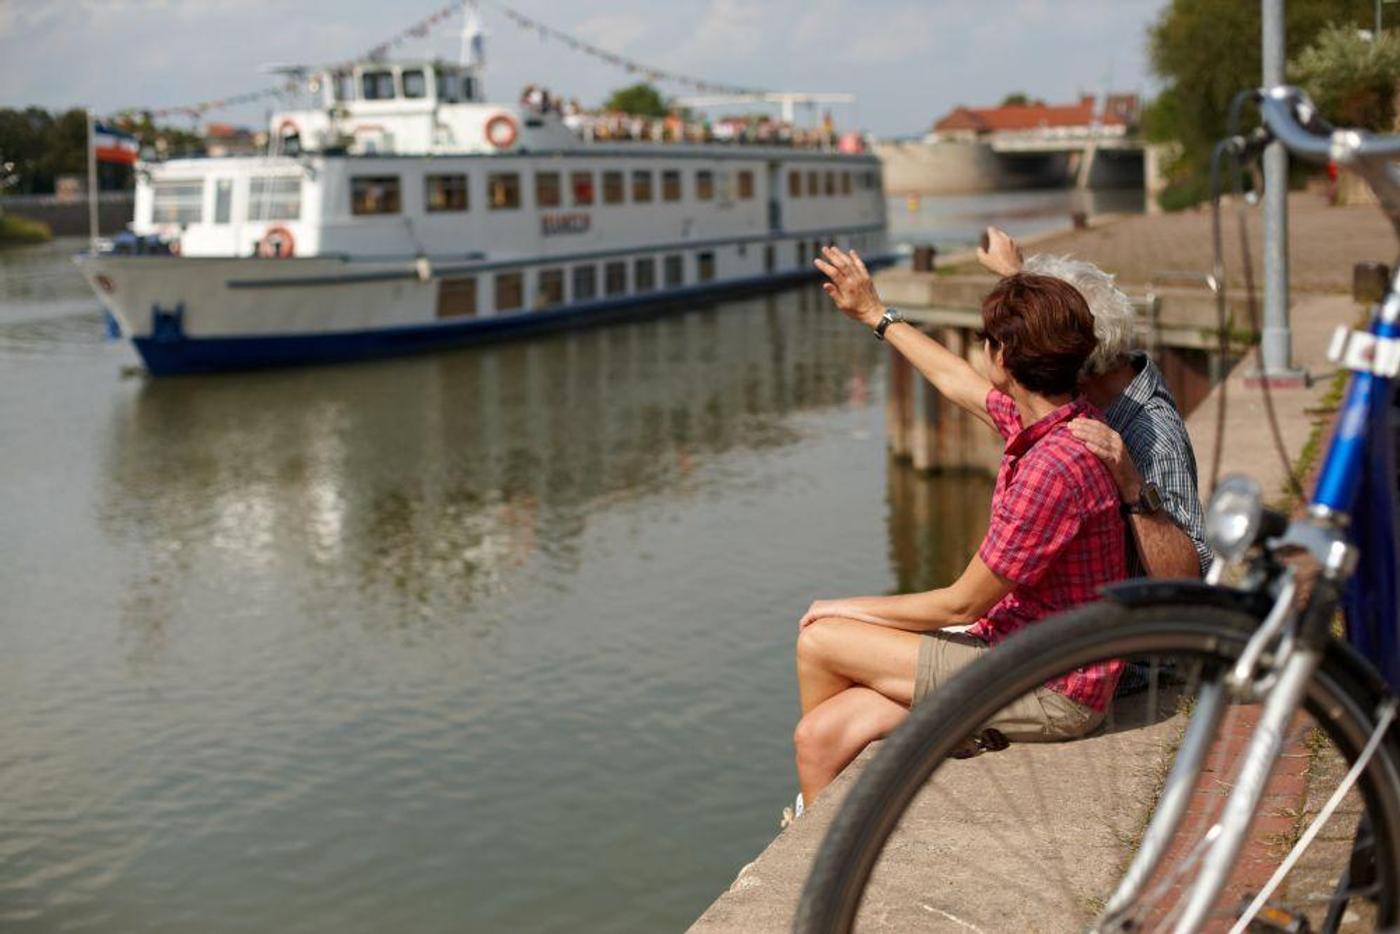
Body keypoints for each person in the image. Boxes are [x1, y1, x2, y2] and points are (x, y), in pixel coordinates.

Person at [791, 249, 1128, 811]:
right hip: (1018, 650)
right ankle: (817, 843)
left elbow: (959, 605)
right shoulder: (1052, 419)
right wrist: (875, 313)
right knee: (819, 737)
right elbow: (955, 380)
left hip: (1053, 690)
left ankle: (833, 855)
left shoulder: (1054, 466)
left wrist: (844, 606)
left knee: (821, 640)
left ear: (1004, 357)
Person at [977, 228, 1209, 579]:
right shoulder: (1110, 380)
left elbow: (1189, 576)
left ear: (1072, 360)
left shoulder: (1152, 439)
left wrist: (1133, 487)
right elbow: (1055, 323)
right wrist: (1016, 274)